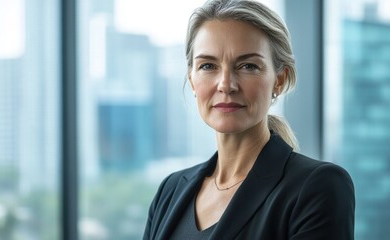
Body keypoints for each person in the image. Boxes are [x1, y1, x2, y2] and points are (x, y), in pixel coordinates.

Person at [143, 0, 355, 239]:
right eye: (208, 65)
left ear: (279, 80)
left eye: (248, 66)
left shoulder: (318, 187)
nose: (226, 85)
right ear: (192, 80)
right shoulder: (170, 191)